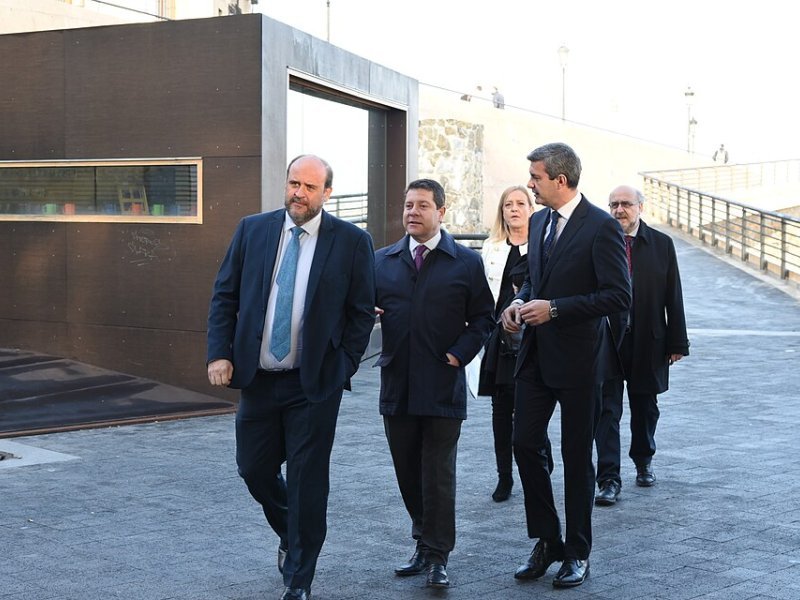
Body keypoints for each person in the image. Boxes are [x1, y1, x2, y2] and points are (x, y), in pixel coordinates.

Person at [206, 154, 376, 600]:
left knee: (307, 480)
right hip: (259, 378)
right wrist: (219, 353)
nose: (299, 193)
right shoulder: (253, 230)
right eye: (294, 183)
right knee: (254, 469)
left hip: (313, 384)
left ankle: (299, 579)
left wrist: (344, 365)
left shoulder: (352, 241)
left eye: (309, 187)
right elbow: (225, 295)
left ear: (327, 193)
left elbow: (362, 312)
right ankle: (291, 532)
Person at [501, 142, 631, 588]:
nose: (530, 185)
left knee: (577, 458)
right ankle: (547, 541)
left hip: (581, 362)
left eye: (535, 177)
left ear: (560, 179)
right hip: (535, 357)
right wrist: (519, 303)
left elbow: (618, 296)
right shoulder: (539, 221)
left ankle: (577, 552)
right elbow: (535, 280)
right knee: (524, 443)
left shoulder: (601, 226)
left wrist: (555, 309)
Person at [374, 178, 494, 589]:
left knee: (437, 473)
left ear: (441, 212)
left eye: (422, 205)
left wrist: (460, 353)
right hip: (397, 382)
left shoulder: (465, 262)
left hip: (443, 383)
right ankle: (423, 542)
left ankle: (438, 554)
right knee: (407, 469)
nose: (413, 212)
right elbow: (360, 309)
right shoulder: (383, 261)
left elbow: (484, 318)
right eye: (408, 205)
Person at [593, 185, 690, 506]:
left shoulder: (661, 244)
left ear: (640, 207)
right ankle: (608, 478)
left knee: (645, 406)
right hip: (608, 339)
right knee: (606, 409)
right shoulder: (598, 241)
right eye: (613, 204)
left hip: (648, 340)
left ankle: (643, 460)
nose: (619, 210)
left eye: (625, 204)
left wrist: (677, 341)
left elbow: (673, 295)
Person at [477, 185, 533, 502]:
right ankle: (504, 477)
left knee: (529, 409)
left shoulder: (542, 247)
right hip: (498, 340)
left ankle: (537, 464)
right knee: (500, 412)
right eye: (508, 204)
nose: (514, 209)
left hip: (532, 340)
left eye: (520, 203)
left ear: (530, 209)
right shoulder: (492, 247)